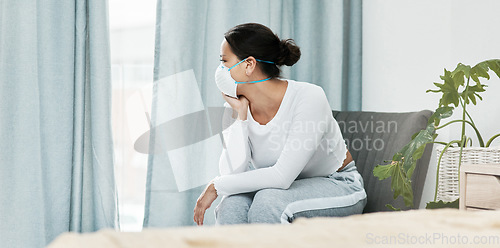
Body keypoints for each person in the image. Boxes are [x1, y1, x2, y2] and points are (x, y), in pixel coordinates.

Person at [193, 23, 367, 226]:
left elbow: (282, 177)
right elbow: (231, 175)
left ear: (249, 65)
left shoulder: (309, 96)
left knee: (269, 203)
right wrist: (240, 116)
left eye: (224, 61)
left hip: (338, 184)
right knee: (231, 205)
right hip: (278, 188)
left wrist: (216, 186)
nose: (220, 70)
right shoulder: (234, 107)